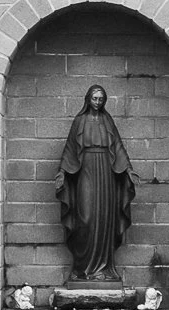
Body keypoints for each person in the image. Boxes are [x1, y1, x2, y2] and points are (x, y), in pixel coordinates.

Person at [55, 84, 136, 282]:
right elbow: (70, 149)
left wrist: (128, 169)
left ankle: (104, 268)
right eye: (94, 99)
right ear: (88, 99)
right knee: (86, 216)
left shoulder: (108, 120)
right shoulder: (79, 121)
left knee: (104, 216)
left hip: (106, 173)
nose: (98, 102)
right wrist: (62, 173)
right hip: (85, 170)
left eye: (101, 99)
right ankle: (83, 269)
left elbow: (117, 146)